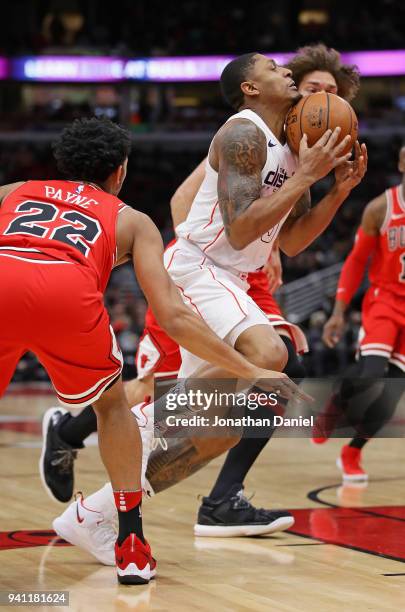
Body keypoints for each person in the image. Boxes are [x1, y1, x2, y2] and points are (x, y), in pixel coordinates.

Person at [43, 46, 365, 538]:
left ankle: (95, 516)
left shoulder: (287, 148)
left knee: (220, 431)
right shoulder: (243, 132)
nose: (286, 71)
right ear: (250, 88)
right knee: (267, 352)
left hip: (230, 278)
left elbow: (295, 240)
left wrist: (337, 190)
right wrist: (307, 177)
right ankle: (149, 414)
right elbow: (237, 233)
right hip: (199, 267)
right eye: (274, 68)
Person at [0, 117, 302, 584]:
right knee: (113, 406)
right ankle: (131, 543)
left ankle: (71, 443)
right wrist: (247, 368)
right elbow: (176, 316)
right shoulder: (131, 219)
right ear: (119, 171)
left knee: (206, 423)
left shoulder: (15, 189)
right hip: (67, 294)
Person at [318, 145, 405, 480]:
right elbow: (355, 263)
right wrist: (338, 312)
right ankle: (335, 404)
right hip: (384, 301)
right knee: (370, 374)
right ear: (400, 163)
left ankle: (352, 452)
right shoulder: (381, 208)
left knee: (393, 392)